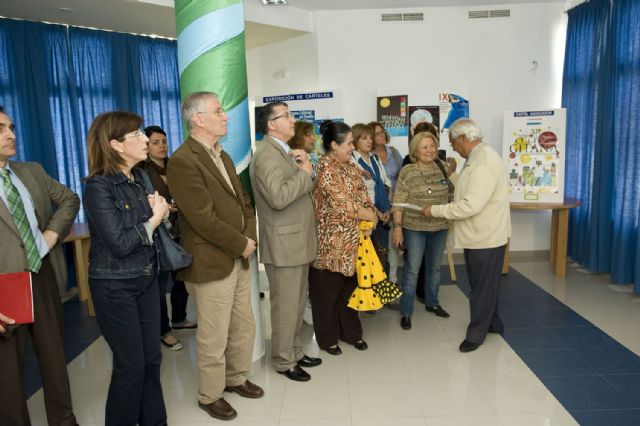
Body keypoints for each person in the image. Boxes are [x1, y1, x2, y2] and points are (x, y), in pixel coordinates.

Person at [167, 91, 262, 420]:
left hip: (239, 254)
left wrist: (248, 237)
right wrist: (240, 244)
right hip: (211, 261)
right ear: (198, 119)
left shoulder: (221, 155)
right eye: (218, 111)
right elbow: (202, 219)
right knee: (213, 335)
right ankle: (210, 395)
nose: (226, 116)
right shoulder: (182, 160)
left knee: (243, 325)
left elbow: (243, 204)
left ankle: (236, 379)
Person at [83, 111, 168, 425]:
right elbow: (119, 243)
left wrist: (161, 212)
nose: (145, 139)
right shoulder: (98, 187)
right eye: (136, 134)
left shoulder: (140, 178)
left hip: (146, 278)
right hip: (114, 286)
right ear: (115, 144)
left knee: (152, 360)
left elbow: (147, 225)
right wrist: (155, 218)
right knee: (131, 367)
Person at [0, 106, 80, 426]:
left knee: (54, 359)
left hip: (41, 275)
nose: (11, 134)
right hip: (4, 287)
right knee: (8, 374)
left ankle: (64, 420)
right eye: (1, 128)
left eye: (11, 127)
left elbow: (70, 199)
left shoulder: (30, 171)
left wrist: (49, 236)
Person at [422, 118, 510, 353]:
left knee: (481, 288)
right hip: (483, 235)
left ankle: (476, 333)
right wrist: (451, 174)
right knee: (487, 285)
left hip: (485, 237)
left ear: (463, 139)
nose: (452, 147)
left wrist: (436, 211)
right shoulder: (479, 158)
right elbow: (469, 189)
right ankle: (493, 323)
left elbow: (470, 205)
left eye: (453, 142)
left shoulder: (483, 164)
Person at [250, 101, 322, 382]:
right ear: (271, 124)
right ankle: (283, 360)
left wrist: (305, 168)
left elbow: (297, 189)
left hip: (297, 241)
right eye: (287, 116)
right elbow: (278, 198)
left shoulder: (284, 152)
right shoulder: (267, 155)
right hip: (284, 244)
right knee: (285, 308)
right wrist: (305, 174)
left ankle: (293, 350)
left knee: (295, 304)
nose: (293, 120)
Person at [309, 120, 377, 355]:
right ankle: (328, 339)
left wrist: (371, 219)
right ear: (333, 145)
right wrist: (369, 214)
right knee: (327, 297)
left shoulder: (351, 166)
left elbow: (365, 195)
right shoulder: (325, 168)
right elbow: (342, 204)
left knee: (350, 292)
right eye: (348, 143)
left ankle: (351, 333)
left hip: (356, 242)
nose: (352, 147)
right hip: (332, 245)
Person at [138, 125, 197, 352]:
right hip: (159, 233)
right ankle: (164, 331)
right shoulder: (142, 171)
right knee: (161, 284)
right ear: (147, 145)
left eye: (164, 141)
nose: (161, 146)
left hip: (182, 229)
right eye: (155, 142)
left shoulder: (175, 166)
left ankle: (179, 318)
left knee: (182, 275)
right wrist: (162, 208)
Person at [392, 132, 451, 331]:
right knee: (412, 269)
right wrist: (398, 228)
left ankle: (432, 302)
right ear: (415, 150)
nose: (429, 150)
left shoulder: (442, 167)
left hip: (440, 227)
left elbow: (449, 195)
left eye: (432, 146)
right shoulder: (408, 171)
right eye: (424, 147)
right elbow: (398, 201)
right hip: (414, 227)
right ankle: (406, 311)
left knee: (434, 268)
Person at [351, 123, 392, 269]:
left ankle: (383, 291)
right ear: (355, 140)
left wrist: (387, 210)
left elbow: (387, 183)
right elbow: (359, 193)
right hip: (365, 217)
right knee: (368, 262)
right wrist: (377, 212)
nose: (369, 141)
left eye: (370, 137)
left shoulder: (375, 159)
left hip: (383, 215)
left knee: (383, 257)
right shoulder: (352, 162)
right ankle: (370, 292)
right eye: (364, 138)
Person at [369, 121, 404, 283]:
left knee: (394, 248)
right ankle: (378, 284)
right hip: (377, 207)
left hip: (396, 206)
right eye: (376, 133)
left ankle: (393, 281)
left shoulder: (394, 153)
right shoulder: (368, 157)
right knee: (378, 249)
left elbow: (403, 177)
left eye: (382, 131)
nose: (381, 135)